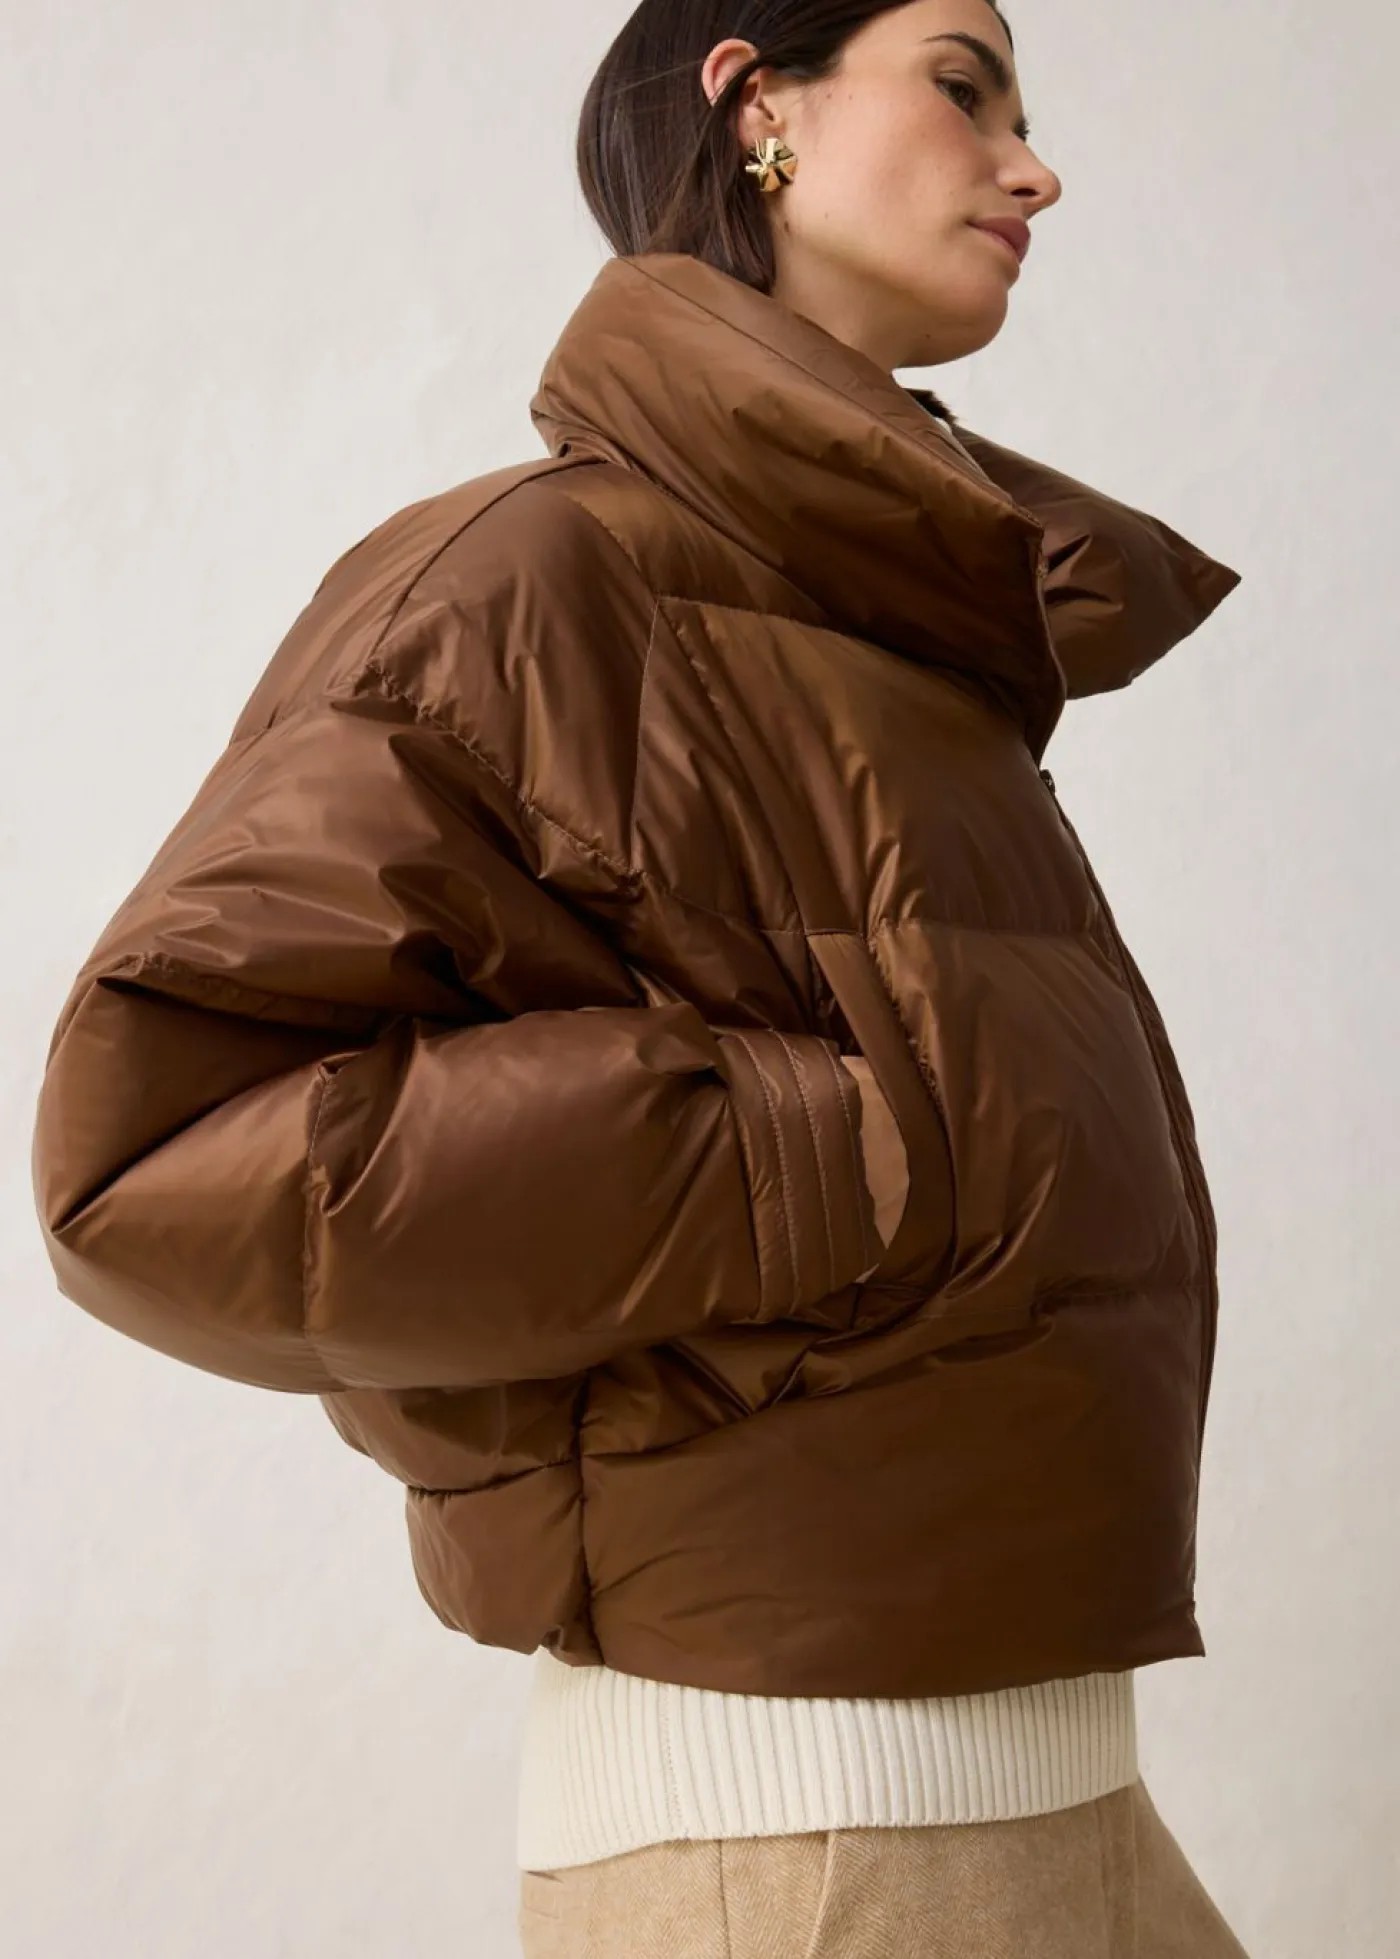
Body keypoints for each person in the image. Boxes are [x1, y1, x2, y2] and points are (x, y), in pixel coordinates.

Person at [30, 0, 1251, 1953]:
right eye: (962, 85)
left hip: (1055, 1800)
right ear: (756, 104)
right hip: (807, 1847)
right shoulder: (528, 582)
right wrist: (806, 1152)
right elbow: (154, 1159)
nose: (1034, 168)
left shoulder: (898, 631)